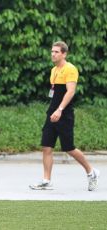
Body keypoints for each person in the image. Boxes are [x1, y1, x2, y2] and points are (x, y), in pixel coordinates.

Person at [29, 41, 99, 191]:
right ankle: (46, 181)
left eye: (56, 52)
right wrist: (53, 111)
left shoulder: (70, 69)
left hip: (64, 113)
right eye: (52, 51)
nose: (53, 54)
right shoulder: (54, 70)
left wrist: (60, 110)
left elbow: (70, 92)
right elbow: (54, 92)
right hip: (52, 112)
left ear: (64, 54)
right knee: (47, 146)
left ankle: (91, 172)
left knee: (69, 148)